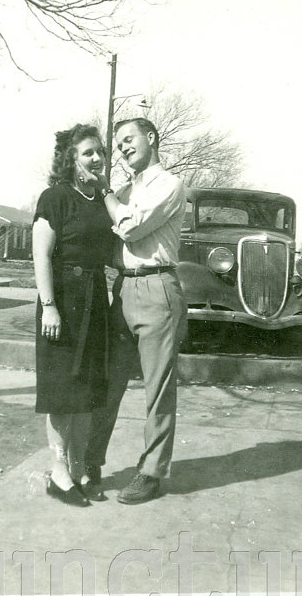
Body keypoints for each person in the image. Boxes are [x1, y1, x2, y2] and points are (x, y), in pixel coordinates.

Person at [79, 117, 187, 505]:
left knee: (157, 389)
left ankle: (152, 472)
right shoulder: (123, 189)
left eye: (129, 140)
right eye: (118, 144)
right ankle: (90, 463)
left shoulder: (170, 185)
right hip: (122, 287)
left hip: (158, 288)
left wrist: (105, 191)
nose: (123, 148)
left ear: (152, 138)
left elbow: (130, 227)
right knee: (107, 381)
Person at [32, 124, 114, 507]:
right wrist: (49, 306)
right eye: (88, 153)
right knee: (62, 392)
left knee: (87, 392)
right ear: (71, 160)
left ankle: (79, 467)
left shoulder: (101, 200)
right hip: (62, 303)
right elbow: (40, 255)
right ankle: (58, 472)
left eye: (99, 151)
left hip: (95, 303)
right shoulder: (55, 198)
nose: (97, 158)